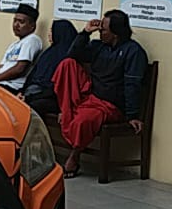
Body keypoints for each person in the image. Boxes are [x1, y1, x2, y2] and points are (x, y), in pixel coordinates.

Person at [52, 9, 148, 178]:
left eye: (103, 29)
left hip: (110, 105)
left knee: (82, 121)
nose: (100, 31)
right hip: (91, 96)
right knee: (67, 64)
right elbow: (72, 55)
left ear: (116, 33)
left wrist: (133, 115)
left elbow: (132, 84)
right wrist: (85, 32)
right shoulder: (99, 46)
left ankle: (74, 157)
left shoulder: (133, 51)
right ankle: (66, 109)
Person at [20, 19, 78, 115]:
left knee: (31, 107)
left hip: (51, 97)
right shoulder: (49, 52)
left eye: (52, 31)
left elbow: (56, 88)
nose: (49, 34)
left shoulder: (67, 57)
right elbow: (33, 74)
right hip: (32, 92)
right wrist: (21, 92)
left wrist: (29, 97)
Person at [0, 4, 42, 94]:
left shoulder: (32, 40)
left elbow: (19, 69)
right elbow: (1, 67)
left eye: (21, 22)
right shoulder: (14, 45)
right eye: (15, 21)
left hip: (11, 87)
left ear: (32, 26)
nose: (16, 25)